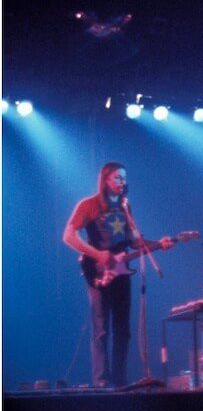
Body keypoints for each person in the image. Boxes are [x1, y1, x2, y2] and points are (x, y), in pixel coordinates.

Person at [63, 162, 173, 388]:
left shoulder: (125, 207)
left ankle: (120, 382)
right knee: (101, 328)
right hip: (97, 270)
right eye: (118, 178)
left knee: (123, 329)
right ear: (105, 180)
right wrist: (97, 254)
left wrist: (158, 244)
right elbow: (68, 236)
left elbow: (133, 242)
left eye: (124, 178)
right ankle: (102, 383)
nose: (123, 182)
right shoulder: (89, 205)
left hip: (122, 271)